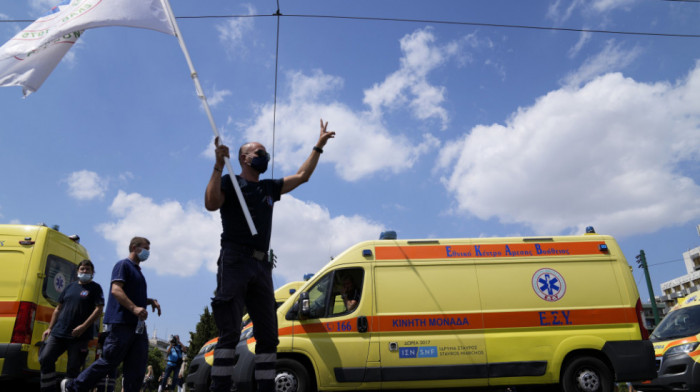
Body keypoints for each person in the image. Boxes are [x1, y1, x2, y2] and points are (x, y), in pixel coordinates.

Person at [204, 118, 335, 392]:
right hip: (234, 259)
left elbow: (302, 176)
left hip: (262, 265)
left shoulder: (268, 188)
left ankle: (266, 387)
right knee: (229, 331)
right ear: (243, 158)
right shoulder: (230, 181)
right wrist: (217, 165)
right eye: (260, 154)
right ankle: (220, 386)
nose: (265, 158)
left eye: (266, 154)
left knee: (268, 334)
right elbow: (211, 203)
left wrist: (318, 146)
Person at [62, 237, 161, 392]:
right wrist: (134, 308)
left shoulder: (138, 272)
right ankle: (73, 387)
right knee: (109, 361)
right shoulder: (123, 265)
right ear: (135, 248)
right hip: (121, 323)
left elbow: (133, 295)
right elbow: (116, 290)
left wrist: (150, 301)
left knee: (137, 366)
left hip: (137, 327)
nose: (148, 252)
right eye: (146, 248)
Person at [40, 260, 104, 392]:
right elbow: (58, 309)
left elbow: (98, 310)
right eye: (82, 269)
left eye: (87, 269)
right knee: (45, 359)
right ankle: (49, 389)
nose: (84, 271)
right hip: (59, 332)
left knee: (73, 369)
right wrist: (50, 328)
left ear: (92, 273)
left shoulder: (95, 288)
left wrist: (83, 327)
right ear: (77, 271)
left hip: (79, 336)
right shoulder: (70, 287)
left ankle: (69, 389)